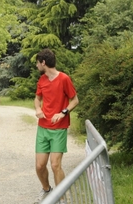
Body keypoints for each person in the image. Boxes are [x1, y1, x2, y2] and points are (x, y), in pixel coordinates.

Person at [33, 48, 79, 203]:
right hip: (43, 127)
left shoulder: (64, 78)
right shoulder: (42, 80)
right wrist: (38, 108)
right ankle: (47, 190)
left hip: (59, 128)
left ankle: (61, 197)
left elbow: (75, 100)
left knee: (55, 165)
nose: (36, 66)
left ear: (43, 62)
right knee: (40, 166)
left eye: (37, 63)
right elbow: (37, 99)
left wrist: (63, 112)